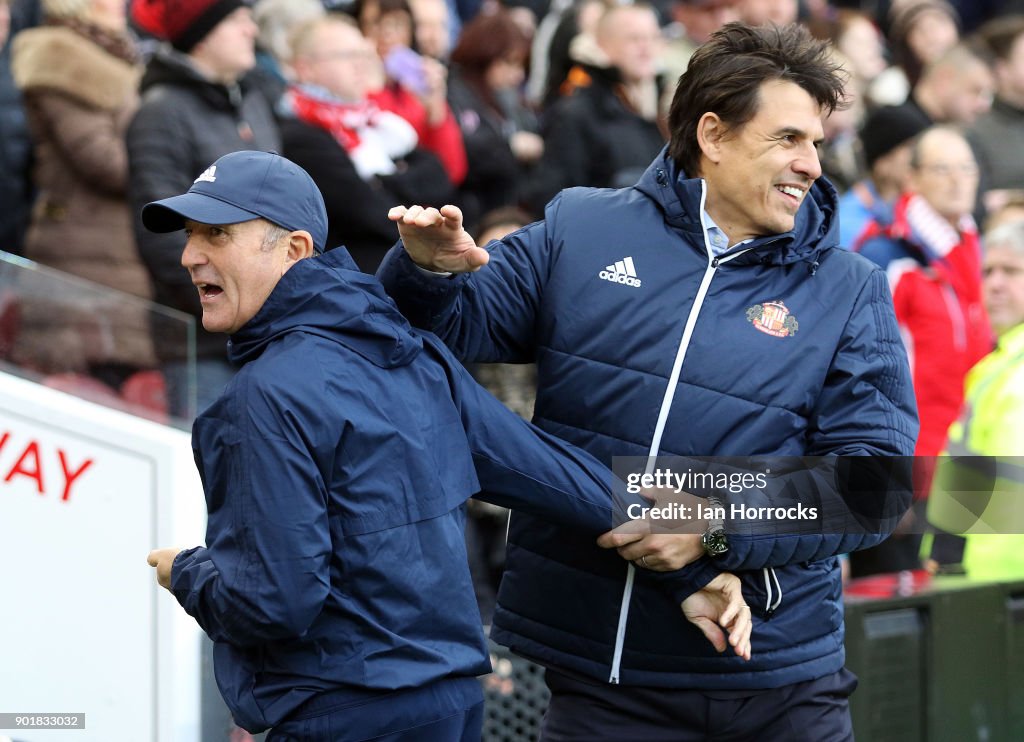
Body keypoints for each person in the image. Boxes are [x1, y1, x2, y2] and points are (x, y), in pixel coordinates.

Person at [379, 22, 917, 740]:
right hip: (601, 678)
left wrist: (715, 523)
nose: (812, 163)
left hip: (776, 679)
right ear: (713, 135)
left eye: (817, 142)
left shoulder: (850, 290)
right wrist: (426, 271)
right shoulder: (583, 227)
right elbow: (452, 328)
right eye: (788, 138)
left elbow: (874, 487)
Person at [143, 150, 752, 741]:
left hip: (345, 710)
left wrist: (190, 573)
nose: (190, 255)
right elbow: (557, 476)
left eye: (216, 235)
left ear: (296, 250)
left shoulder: (262, 396)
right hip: (449, 704)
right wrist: (698, 565)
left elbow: (275, 602)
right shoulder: (405, 347)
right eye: (191, 235)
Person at [127, 0, 279, 418]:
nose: (252, 30)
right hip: (204, 345)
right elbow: (159, 234)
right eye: (237, 20)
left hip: (270, 334)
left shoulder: (251, 101)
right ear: (203, 34)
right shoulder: (161, 112)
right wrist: (241, 303)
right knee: (204, 478)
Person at [854, 125, 992, 576]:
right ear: (912, 178)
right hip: (909, 479)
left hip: (966, 473)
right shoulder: (889, 254)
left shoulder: (972, 248)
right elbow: (865, 370)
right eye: (942, 168)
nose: (958, 180)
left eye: (966, 168)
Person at [9, 0, 156, 387]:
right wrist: (169, 163)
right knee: (81, 393)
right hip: (80, 251)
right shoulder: (62, 59)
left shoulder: (123, 59)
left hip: (116, 250)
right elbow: (104, 161)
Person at [280, 14, 451, 272]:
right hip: (356, 276)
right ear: (306, 68)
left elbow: (439, 177)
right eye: (347, 56)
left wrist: (383, 183)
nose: (362, 65)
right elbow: (370, 213)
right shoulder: (300, 133)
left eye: (364, 54)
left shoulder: (374, 120)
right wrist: (400, 181)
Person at [927, 218, 1024, 579]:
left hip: (1003, 580)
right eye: (988, 271)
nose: (995, 284)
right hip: (985, 576)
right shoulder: (994, 367)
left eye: (1011, 271)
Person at [527, 1, 667, 213]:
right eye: (634, 39)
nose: (646, 47)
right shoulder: (576, 113)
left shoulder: (655, 107)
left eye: (653, 37)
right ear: (602, 44)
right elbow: (553, 199)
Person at [837, 103, 930, 250]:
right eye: (912, 149)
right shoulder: (848, 221)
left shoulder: (916, 210)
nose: (921, 160)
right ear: (882, 162)